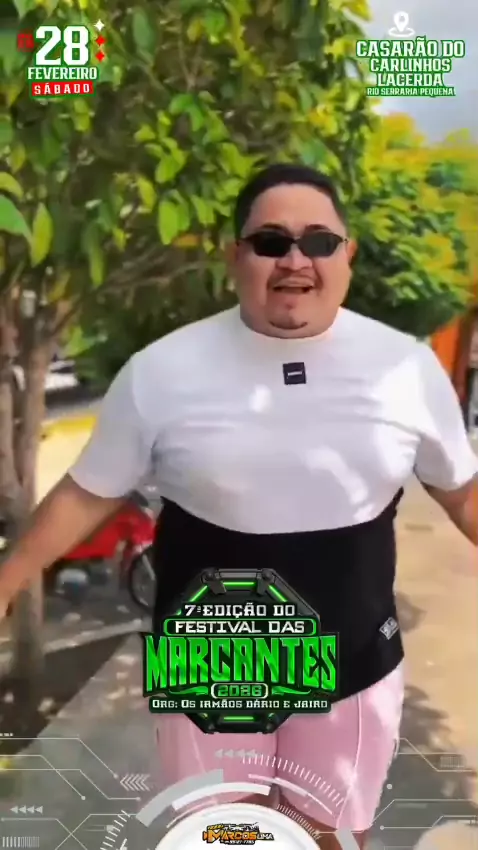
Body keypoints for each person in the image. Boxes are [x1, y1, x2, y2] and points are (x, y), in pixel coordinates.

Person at [1, 164, 477, 849]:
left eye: (319, 242)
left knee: (333, 836)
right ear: (236, 257)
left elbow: (461, 491)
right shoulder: (162, 371)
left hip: (353, 655)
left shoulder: (407, 368)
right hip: (211, 655)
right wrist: (7, 581)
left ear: (347, 255)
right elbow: (89, 491)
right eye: (270, 242)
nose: (295, 261)